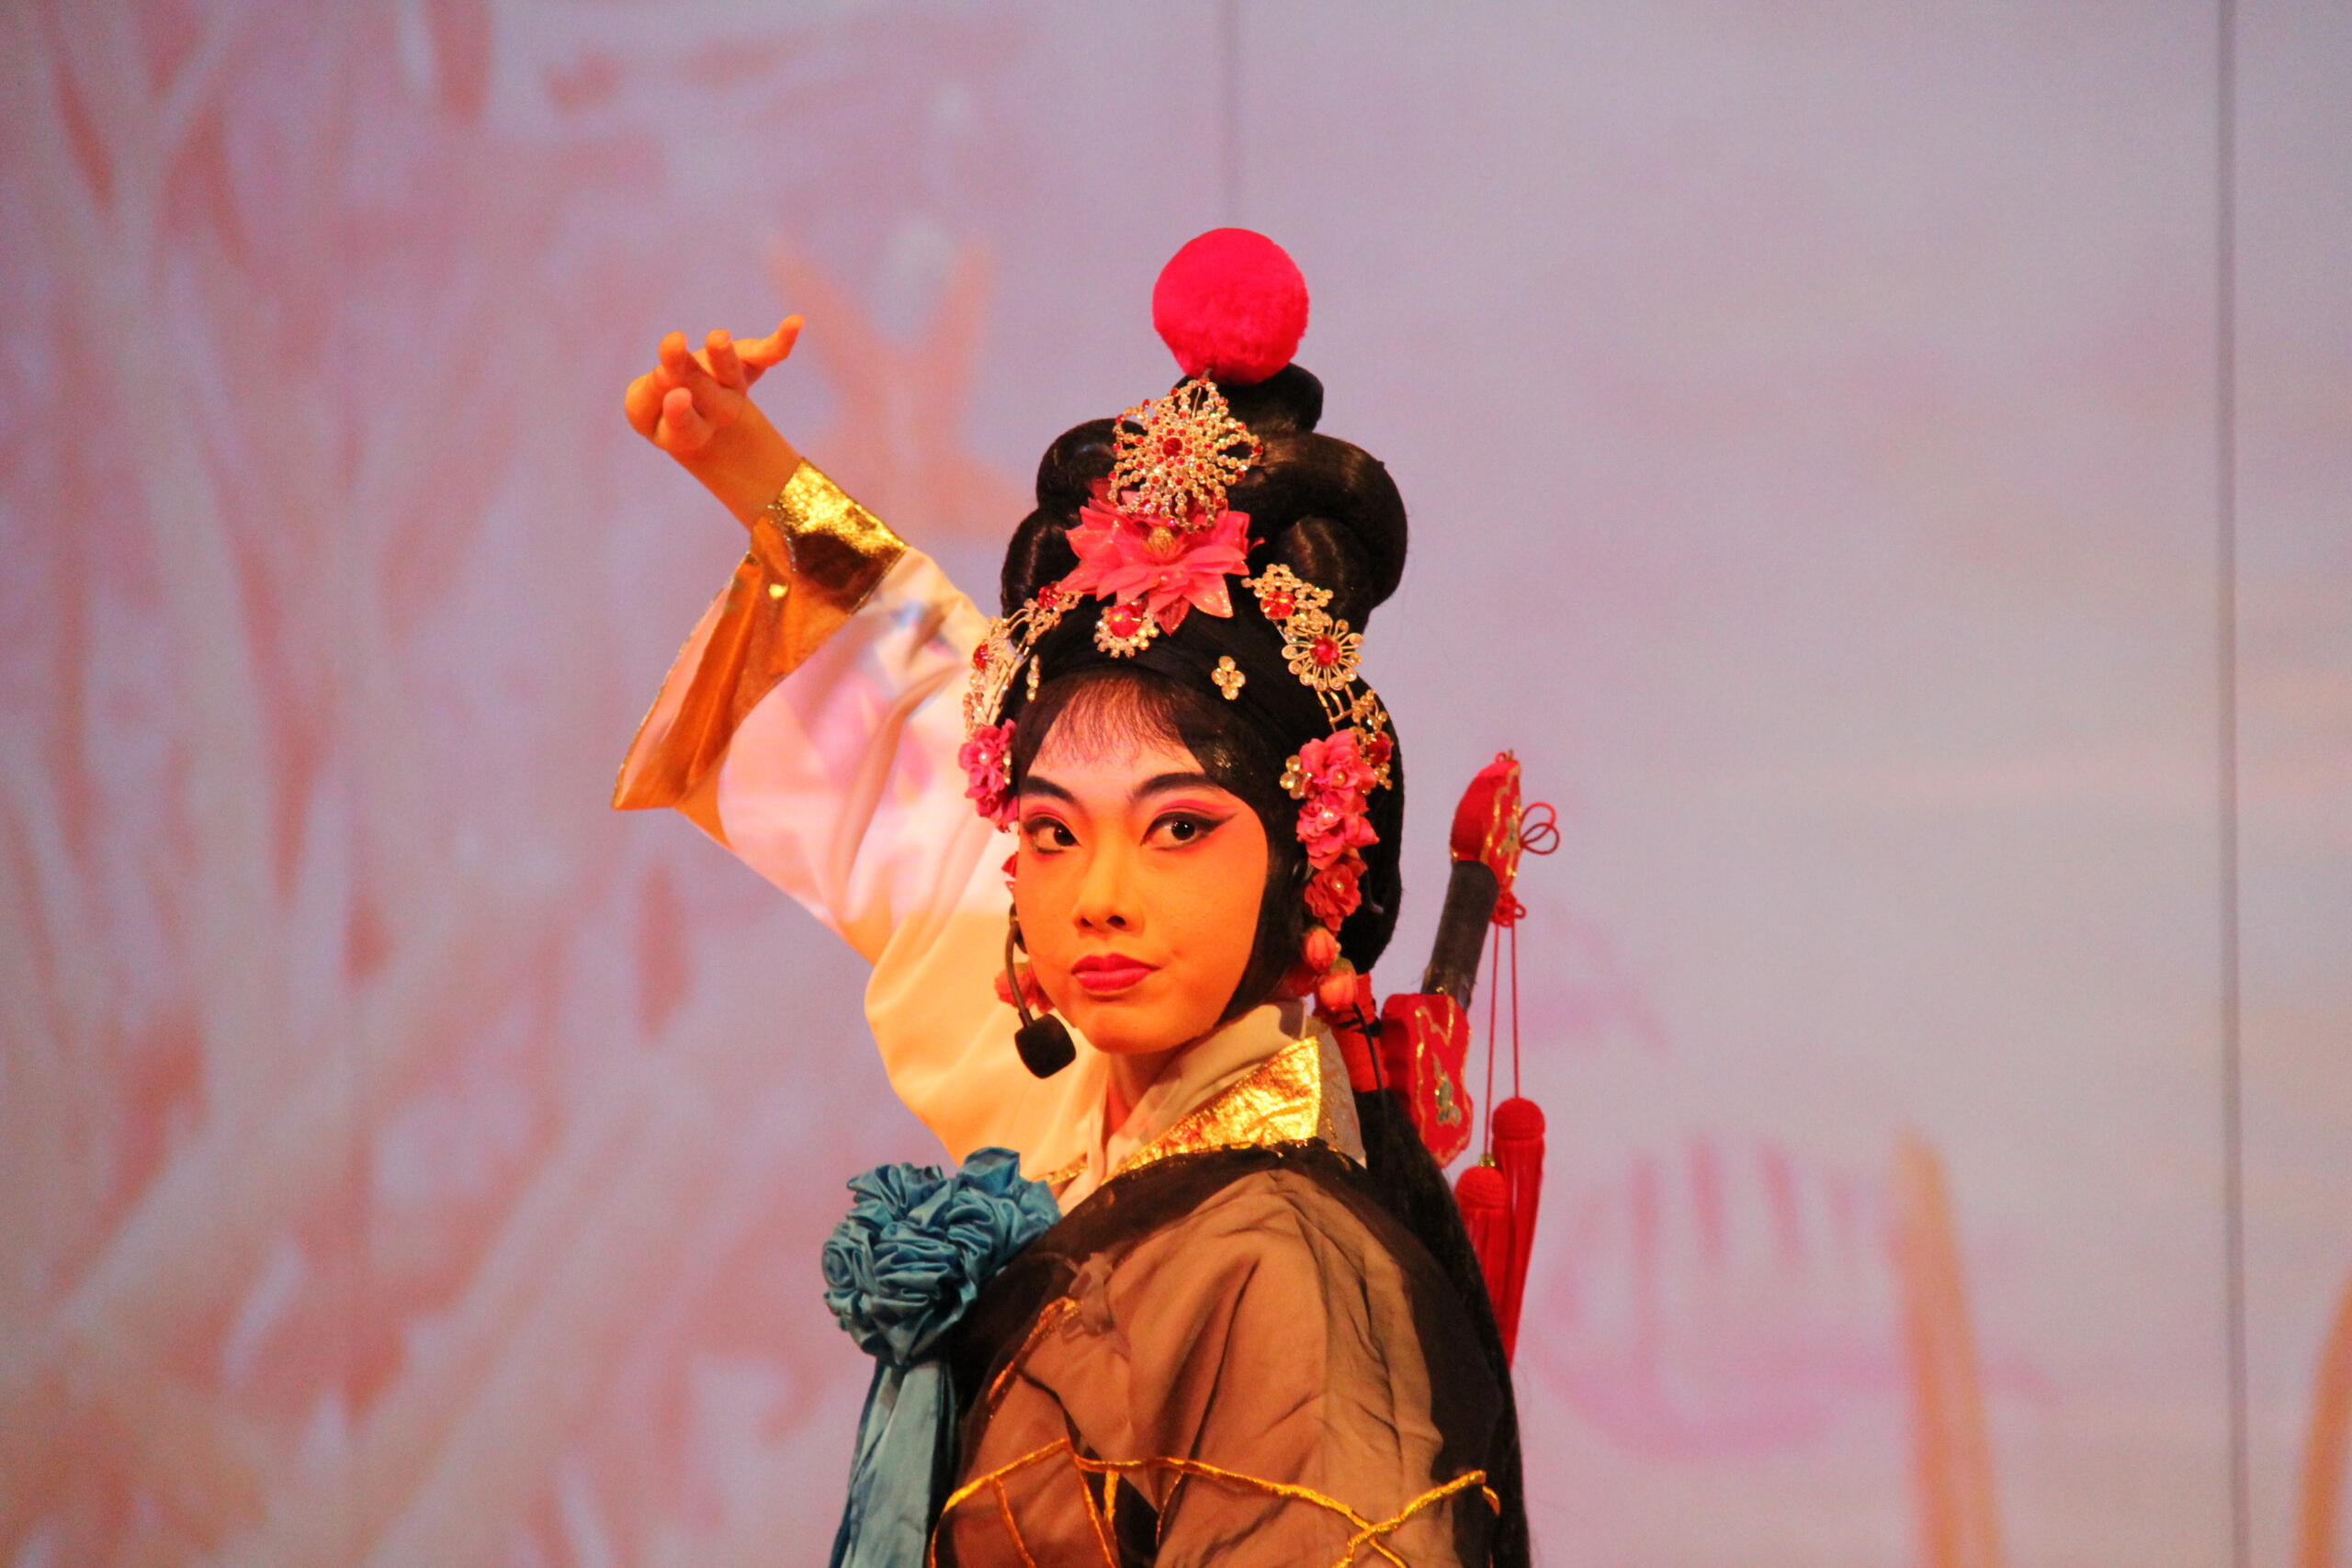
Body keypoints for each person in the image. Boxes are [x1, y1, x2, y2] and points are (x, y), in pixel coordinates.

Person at [617, 231, 1528, 1566]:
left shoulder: (1279, 1262)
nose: (1098, 895)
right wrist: (745, 463)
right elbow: (921, 726)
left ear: (1311, 865)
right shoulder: (1110, 1120)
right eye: (1050, 834)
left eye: (1178, 829)